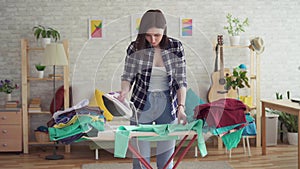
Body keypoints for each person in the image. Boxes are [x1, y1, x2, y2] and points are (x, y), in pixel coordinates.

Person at [118, 9, 187, 169]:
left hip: (168, 106)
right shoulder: (135, 48)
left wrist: (181, 108)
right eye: (148, 35)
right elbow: (128, 77)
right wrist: (124, 92)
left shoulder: (176, 47)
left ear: (164, 31)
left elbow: (181, 81)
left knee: (166, 161)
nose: (153, 39)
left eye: (157, 35)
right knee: (141, 161)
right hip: (141, 104)